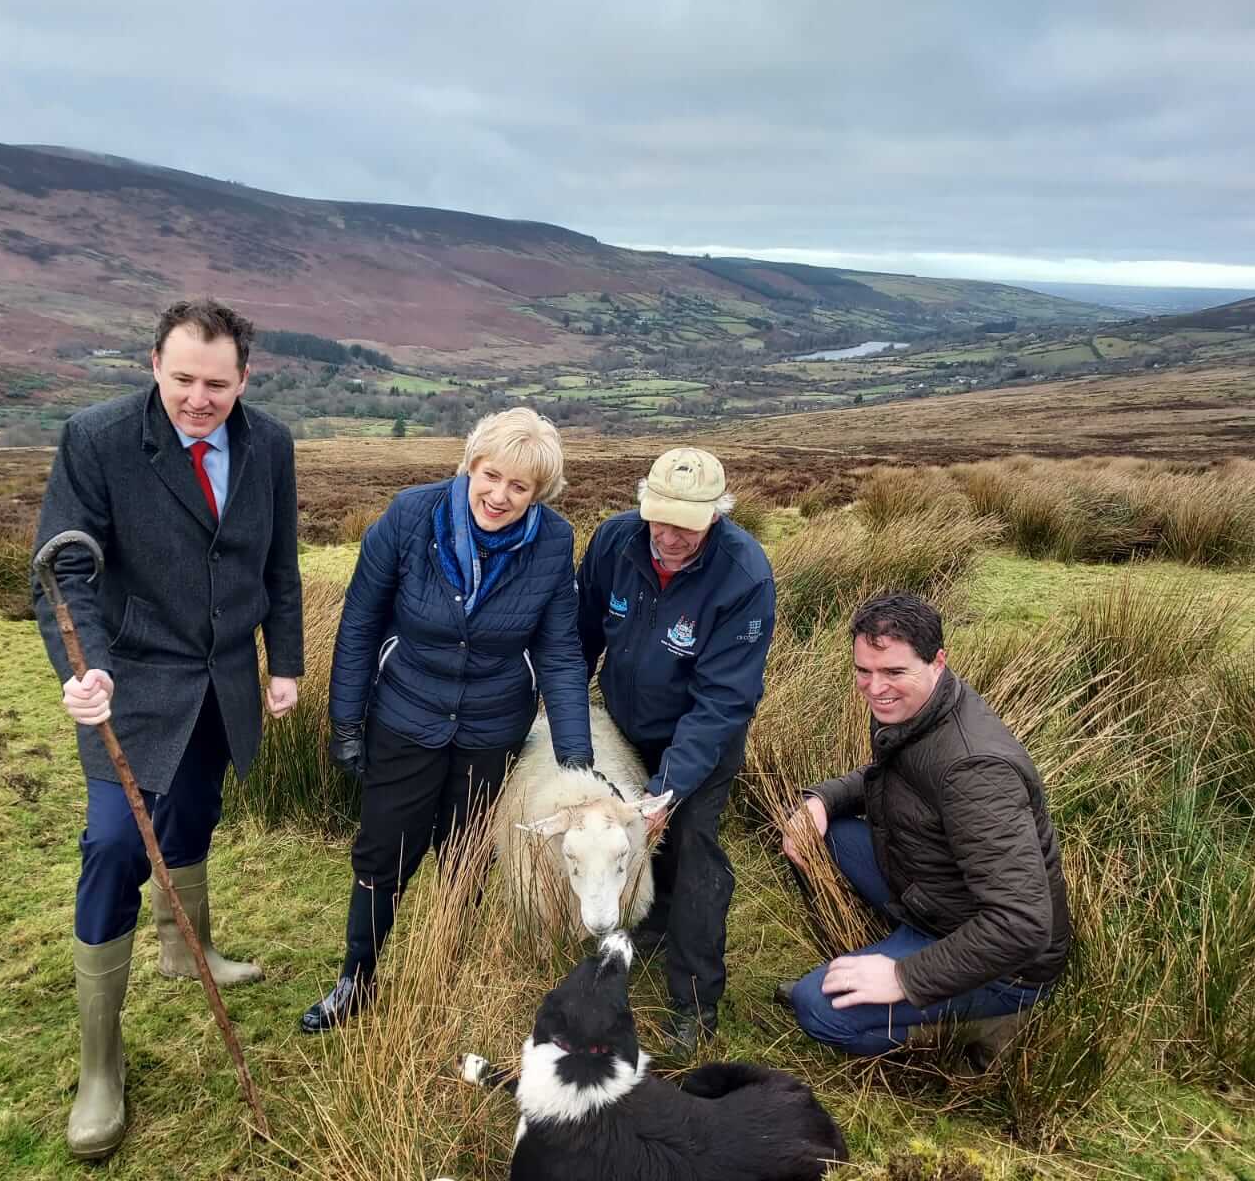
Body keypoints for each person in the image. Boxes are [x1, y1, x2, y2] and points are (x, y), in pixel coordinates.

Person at [31, 298, 303, 1160]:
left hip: (222, 684)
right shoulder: (97, 438)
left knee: (193, 819)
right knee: (115, 847)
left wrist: (284, 662)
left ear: (243, 380)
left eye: (216, 384)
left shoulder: (271, 445)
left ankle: (189, 951)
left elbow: (279, 564)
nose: (198, 398)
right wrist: (86, 668)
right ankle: (100, 1067)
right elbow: (65, 569)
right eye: (183, 378)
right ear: (154, 364)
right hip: (131, 687)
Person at [301, 407, 592, 1034]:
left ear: (539, 493)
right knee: (383, 857)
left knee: (467, 861)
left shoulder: (553, 542)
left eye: (520, 487)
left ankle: (447, 969)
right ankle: (357, 977)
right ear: (469, 466)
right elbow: (359, 625)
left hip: (491, 729)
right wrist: (346, 722)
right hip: (406, 719)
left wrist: (575, 760)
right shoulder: (411, 516)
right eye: (491, 476)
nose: (500, 495)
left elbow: (560, 652)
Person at [777, 592, 1070, 1061]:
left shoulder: (976, 771)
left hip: (1003, 966)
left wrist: (903, 977)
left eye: (894, 672)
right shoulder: (921, 709)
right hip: (937, 896)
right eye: (863, 671)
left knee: (819, 1011)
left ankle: (985, 1024)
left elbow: (1021, 925)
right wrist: (822, 801)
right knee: (821, 835)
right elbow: (896, 781)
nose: (875, 688)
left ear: (938, 661)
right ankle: (881, 957)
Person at [576, 447, 776, 1057]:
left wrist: (670, 785)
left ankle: (694, 999)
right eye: (658, 519)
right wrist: (565, 724)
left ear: (717, 515)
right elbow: (580, 636)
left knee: (690, 846)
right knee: (620, 839)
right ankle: (644, 931)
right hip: (623, 725)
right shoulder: (615, 543)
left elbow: (722, 698)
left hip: (700, 734)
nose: (668, 536)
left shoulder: (743, 576)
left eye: (687, 525)